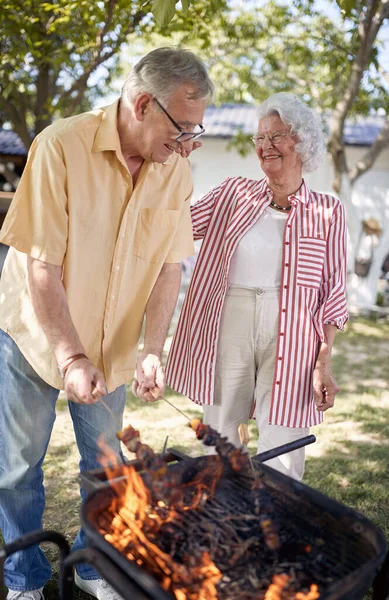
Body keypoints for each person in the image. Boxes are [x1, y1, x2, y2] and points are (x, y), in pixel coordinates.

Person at [0, 47, 213, 599]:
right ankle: (24, 581)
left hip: (114, 346)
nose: (188, 143)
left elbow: (169, 268)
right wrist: (71, 356)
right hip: (37, 339)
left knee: (109, 469)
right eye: (183, 128)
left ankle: (93, 569)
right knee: (18, 468)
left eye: (197, 131)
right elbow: (39, 265)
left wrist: (151, 349)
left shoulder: (176, 170)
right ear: (143, 104)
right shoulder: (59, 146)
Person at [167, 92, 348, 482]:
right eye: (260, 138)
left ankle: (279, 518)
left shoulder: (328, 211)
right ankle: (221, 514)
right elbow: (173, 226)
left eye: (276, 136)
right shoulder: (234, 193)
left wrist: (323, 361)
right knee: (220, 429)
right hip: (231, 316)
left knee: (283, 435)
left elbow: (333, 292)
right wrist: (170, 169)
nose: (266, 147)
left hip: (296, 331)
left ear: (301, 141)